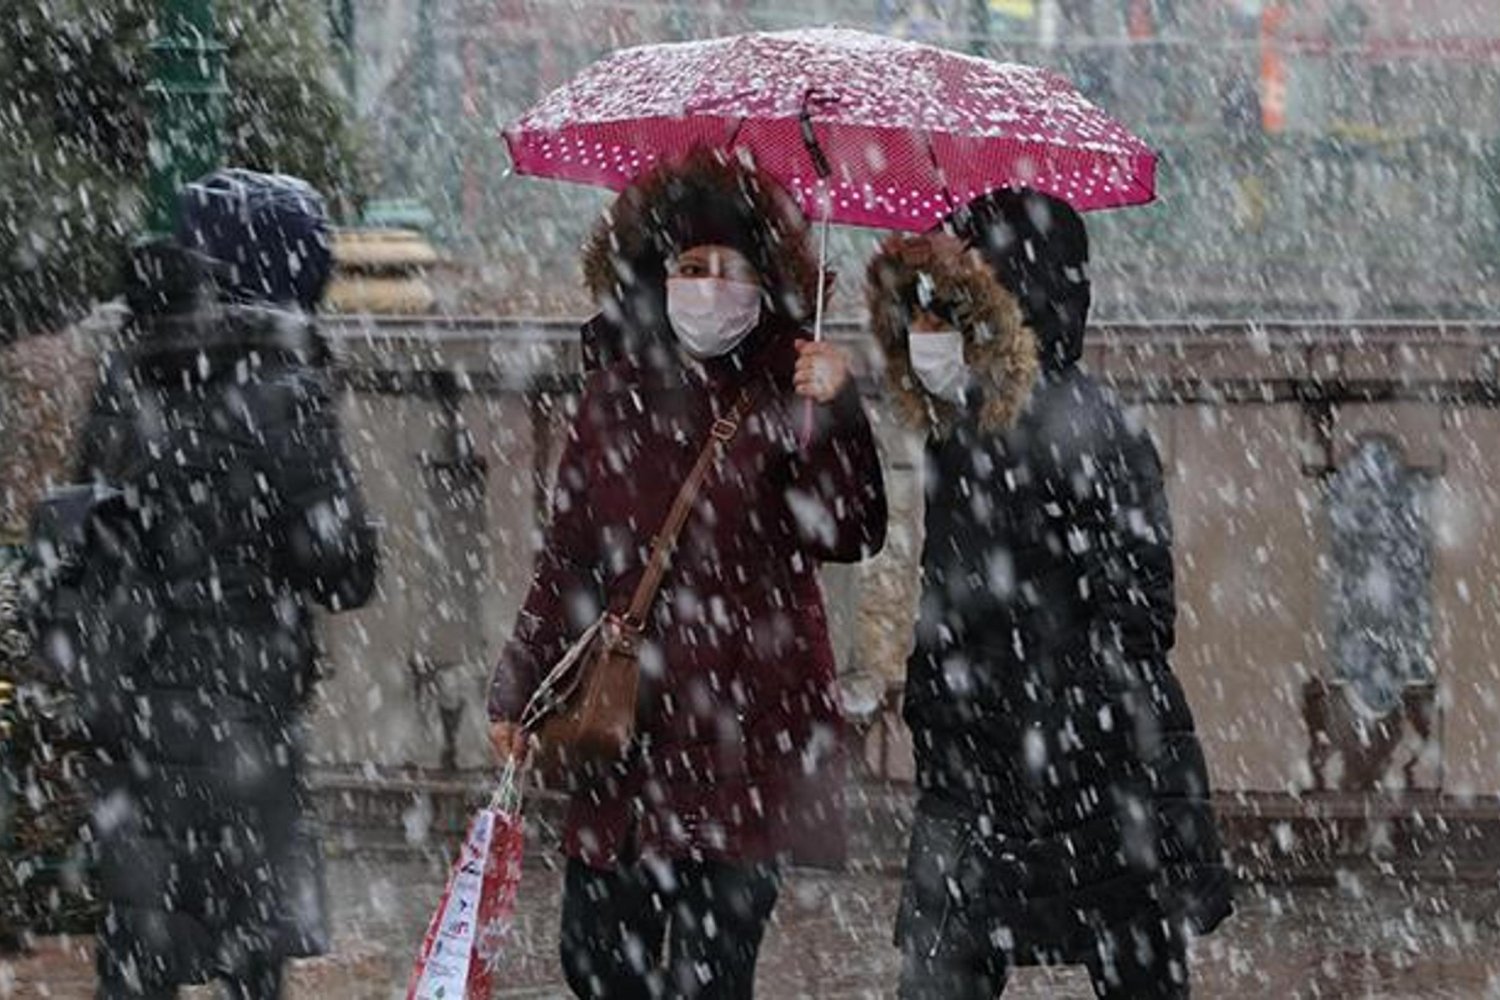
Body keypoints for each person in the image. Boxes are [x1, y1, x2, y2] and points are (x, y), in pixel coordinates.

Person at [488, 148, 887, 1000]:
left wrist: (842, 411)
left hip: (749, 736)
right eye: (690, 266)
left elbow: (852, 531)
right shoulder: (613, 396)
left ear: (765, 281)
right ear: (658, 275)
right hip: (628, 730)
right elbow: (567, 554)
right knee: (595, 956)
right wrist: (516, 683)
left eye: (730, 268)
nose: (709, 286)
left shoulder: (794, 390)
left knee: (713, 975)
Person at [867, 190, 1232, 1000]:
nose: (952, 302)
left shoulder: (1075, 424)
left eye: (970, 278)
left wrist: (1036, 687)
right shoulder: (973, 417)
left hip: (1075, 760)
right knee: (1106, 959)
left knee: (973, 965)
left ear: (1013, 290)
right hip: (1014, 752)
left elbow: (1140, 607)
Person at [43, 169, 377, 999]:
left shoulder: (132, 369)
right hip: (243, 721)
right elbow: (343, 572)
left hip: (134, 714)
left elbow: (87, 527)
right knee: (247, 960)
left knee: (138, 951)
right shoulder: (285, 389)